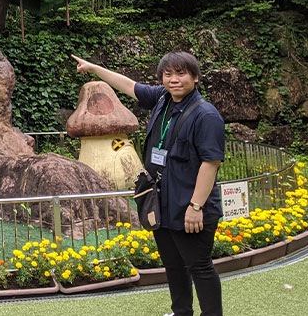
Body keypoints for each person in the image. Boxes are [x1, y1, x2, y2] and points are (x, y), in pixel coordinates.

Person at [70, 51, 225, 316]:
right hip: (161, 202)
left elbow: (210, 165)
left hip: (190, 205)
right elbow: (129, 86)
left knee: (199, 265)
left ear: (195, 77)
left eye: (181, 73)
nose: (174, 80)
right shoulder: (163, 99)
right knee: (173, 264)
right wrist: (96, 69)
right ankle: (181, 312)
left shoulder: (205, 116)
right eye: (168, 74)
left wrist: (196, 207)